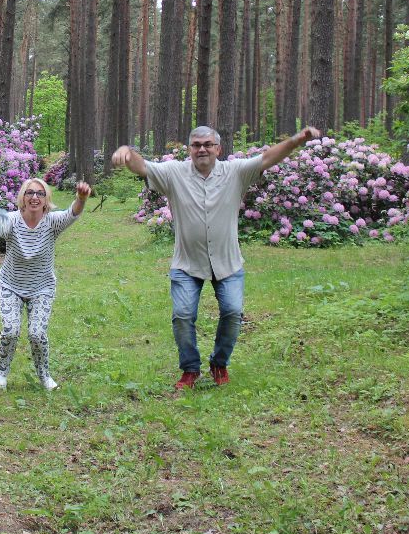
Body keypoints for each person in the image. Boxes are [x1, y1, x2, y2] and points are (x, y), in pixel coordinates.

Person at [110, 125, 320, 390]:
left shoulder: (235, 172)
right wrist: (127, 152)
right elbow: (143, 167)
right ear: (190, 149)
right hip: (187, 263)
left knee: (232, 312)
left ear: (218, 149)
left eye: (208, 144)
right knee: (182, 315)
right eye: (196, 145)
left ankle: (219, 363)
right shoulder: (174, 173)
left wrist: (297, 139)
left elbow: (268, 158)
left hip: (227, 262)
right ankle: (190, 369)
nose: (202, 149)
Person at [0, 178, 91, 391]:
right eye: (29, 193)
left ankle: (45, 376)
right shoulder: (11, 220)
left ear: (46, 199)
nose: (34, 197)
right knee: (10, 331)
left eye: (40, 193)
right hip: (10, 285)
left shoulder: (52, 222)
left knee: (37, 334)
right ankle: (1, 374)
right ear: (23, 197)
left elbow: (72, 213)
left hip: (42, 288)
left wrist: (81, 198)